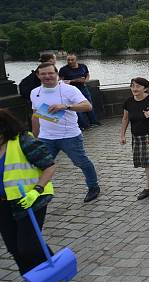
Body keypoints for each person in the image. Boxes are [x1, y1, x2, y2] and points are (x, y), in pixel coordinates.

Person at [0, 109, 59, 282]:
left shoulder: (23, 141)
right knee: (15, 248)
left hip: (30, 201)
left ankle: (49, 279)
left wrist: (37, 190)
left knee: (27, 246)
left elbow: (49, 166)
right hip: (4, 204)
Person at [31, 62, 100, 203]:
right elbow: (35, 115)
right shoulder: (35, 92)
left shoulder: (69, 90)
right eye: (43, 74)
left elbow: (88, 106)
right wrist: (35, 136)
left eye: (50, 73)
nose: (47, 76)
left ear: (56, 74)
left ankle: (93, 187)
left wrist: (66, 106)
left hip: (69, 136)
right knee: (40, 165)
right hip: (46, 137)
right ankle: (37, 192)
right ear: (38, 76)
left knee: (81, 162)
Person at [120, 77, 149, 200]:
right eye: (132, 86)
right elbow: (125, 118)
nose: (134, 88)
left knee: (148, 161)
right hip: (136, 135)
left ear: (145, 88)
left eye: (138, 86)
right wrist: (122, 135)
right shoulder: (128, 102)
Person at [58, 54, 102, 129]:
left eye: (72, 60)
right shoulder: (63, 69)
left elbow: (87, 74)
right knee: (77, 108)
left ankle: (94, 122)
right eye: (68, 60)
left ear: (76, 60)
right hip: (71, 90)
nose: (70, 61)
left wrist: (86, 80)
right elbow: (60, 81)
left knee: (89, 105)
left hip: (83, 88)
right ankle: (83, 126)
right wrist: (75, 80)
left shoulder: (83, 66)